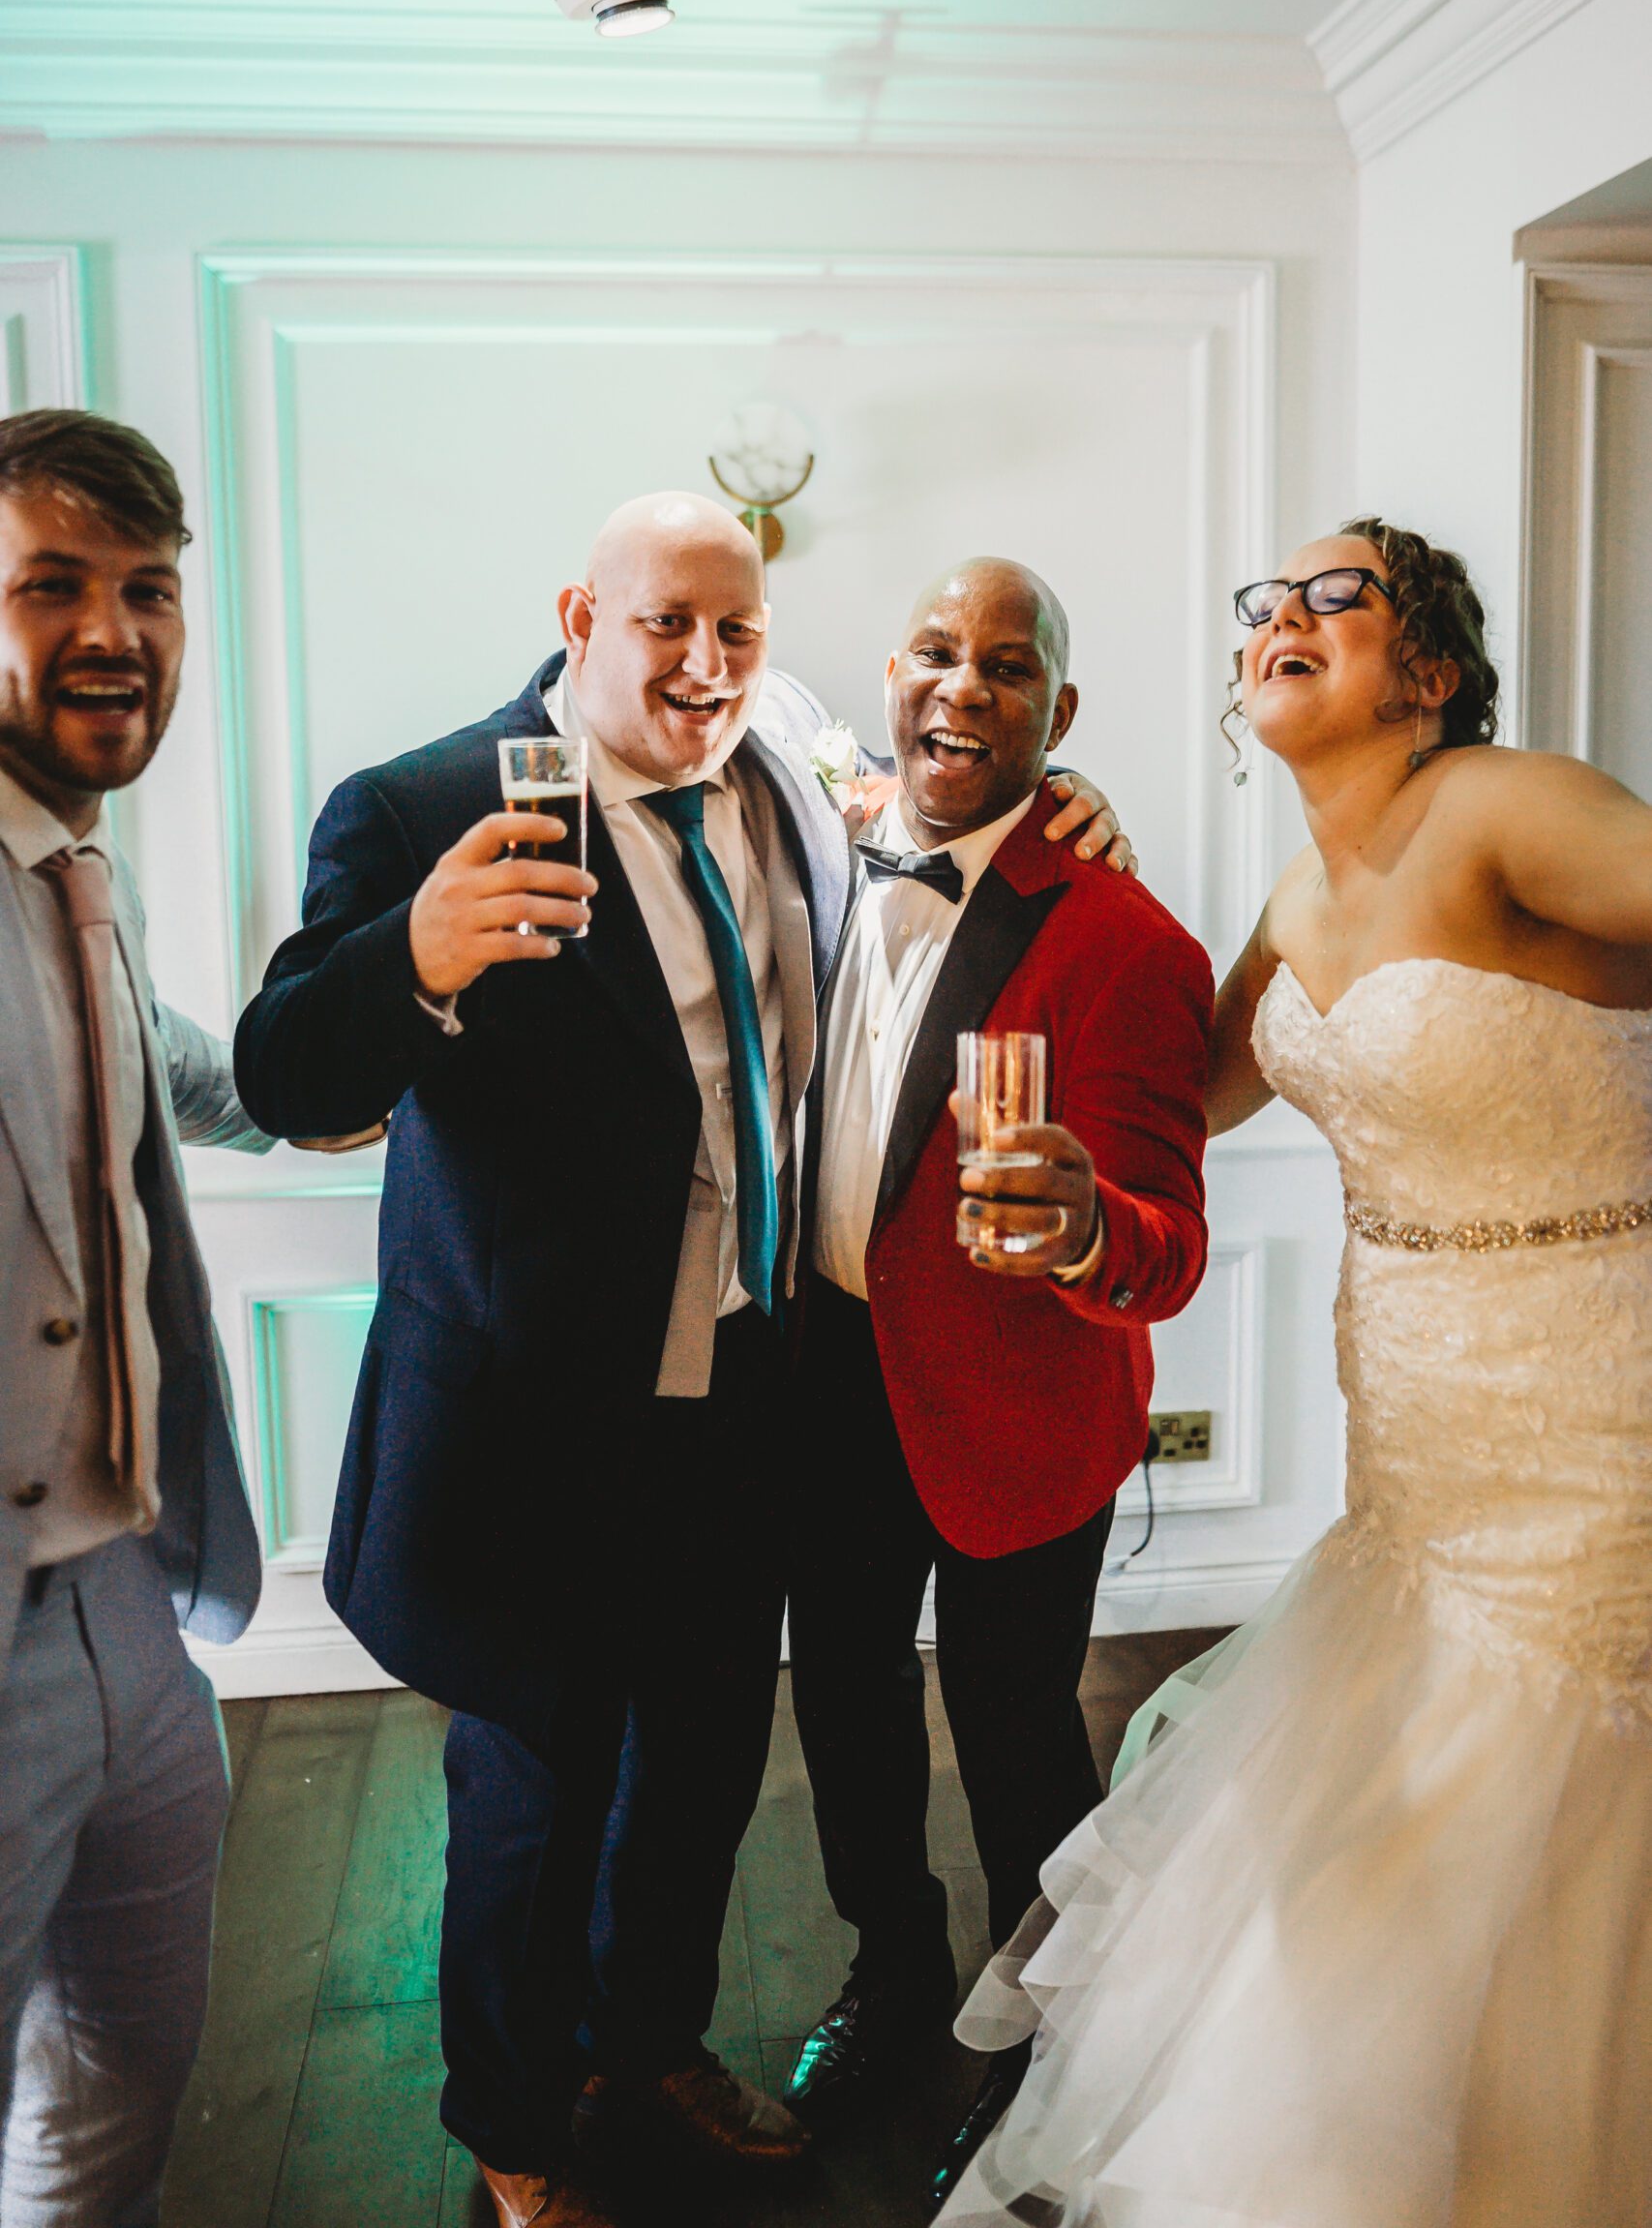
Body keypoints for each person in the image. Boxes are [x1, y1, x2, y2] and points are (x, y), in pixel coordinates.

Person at [231, 491, 1130, 2228]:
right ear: (583, 613)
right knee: (530, 1801)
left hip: (744, 1398)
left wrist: (1062, 810)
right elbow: (285, 1076)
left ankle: (646, 2040)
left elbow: (926, 854)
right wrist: (409, 961)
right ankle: (511, 2124)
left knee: (706, 1766)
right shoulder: (424, 804)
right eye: (668, 628)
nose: (707, 666)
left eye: (739, 632)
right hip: (531, 1429)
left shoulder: (780, 786)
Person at [942, 519, 1652, 2227]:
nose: (1283, 617)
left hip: (1599, 1404)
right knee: (1414, 1784)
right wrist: (1082, 896)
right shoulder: (1298, 894)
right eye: (1266, 601)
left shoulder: (1501, 804)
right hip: (1416, 1417)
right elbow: (1181, 1093)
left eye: (1341, 594)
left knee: (1546, 1793)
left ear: (1429, 671)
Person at [780, 558, 1213, 2213]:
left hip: (1024, 1418)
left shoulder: (1125, 940)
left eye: (1009, 670)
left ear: (1060, 715)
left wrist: (1093, 1225)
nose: (967, 689)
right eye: (940, 656)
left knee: (1021, 1734)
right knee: (847, 1709)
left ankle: (1049, 2046)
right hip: (828, 1388)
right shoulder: (817, 852)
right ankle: (893, 1976)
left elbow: (1165, 1244)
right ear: (892, 675)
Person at [0, 409, 271, 2226]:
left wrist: (391, 1046)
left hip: (137, 1605)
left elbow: (171, 1072)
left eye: (149, 590)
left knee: (119, 2085)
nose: (114, 630)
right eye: (50, 587)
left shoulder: (88, 874)